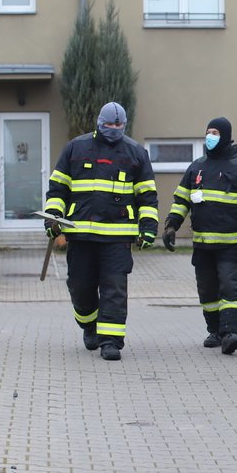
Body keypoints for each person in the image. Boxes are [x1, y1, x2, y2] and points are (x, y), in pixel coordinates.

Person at [43, 101, 159, 362]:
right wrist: (52, 219)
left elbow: (147, 197)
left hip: (118, 238)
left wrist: (149, 228)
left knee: (114, 289)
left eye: (119, 125)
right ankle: (89, 326)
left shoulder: (136, 153)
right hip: (81, 236)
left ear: (125, 125)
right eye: (109, 125)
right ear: (98, 123)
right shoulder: (75, 148)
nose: (114, 129)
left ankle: (111, 342)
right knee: (80, 287)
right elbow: (58, 189)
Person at [163, 117, 237, 355]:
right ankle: (216, 331)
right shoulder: (196, 167)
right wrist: (171, 226)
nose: (210, 136)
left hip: (230, 246)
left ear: (226, 135)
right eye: (208, 132)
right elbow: (181, 201)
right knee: (207, 291)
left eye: (215, 132)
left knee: (229, 287)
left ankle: (231, 333)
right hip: (203, 245)